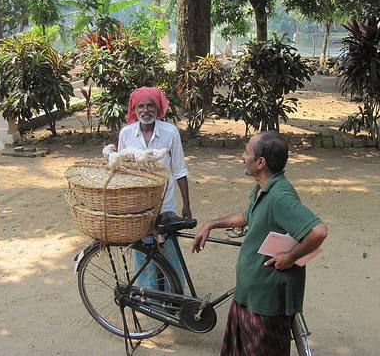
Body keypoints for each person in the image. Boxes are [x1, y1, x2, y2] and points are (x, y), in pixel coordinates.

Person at [192, 131, 327, 356]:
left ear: (260, 162)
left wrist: (290, 257)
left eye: (247, 152)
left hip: (267, 302)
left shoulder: (280, 197)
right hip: (249, 292)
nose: (242, 157)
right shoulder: (263, 188)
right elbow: (247, 215)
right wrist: (211, 224)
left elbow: (319, 231)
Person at [118, 86, 192, 289]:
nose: (145, 110)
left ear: (158, 108)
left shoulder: (170, 132)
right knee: (142, 251)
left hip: (165, 205)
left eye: (150, 105)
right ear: (134, 109)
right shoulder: (126, 134)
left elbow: (179, 170)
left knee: (168, 250)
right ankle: (148, 294)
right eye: (140, 106)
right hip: (137, 205)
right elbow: (121, 171)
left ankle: (174, 293)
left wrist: (186, 204)